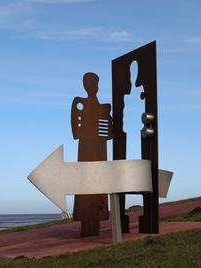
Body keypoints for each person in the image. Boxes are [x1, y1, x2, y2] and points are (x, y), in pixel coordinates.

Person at [71, 72, 113, 237]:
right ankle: (87, 224)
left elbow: (109, 133)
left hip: (99, 149)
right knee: (86, 183)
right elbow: (77, 129)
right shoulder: (79, 103)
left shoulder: (103, 107)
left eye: (96, 83)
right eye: (92, 83)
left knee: (98, 185)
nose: (94, 87)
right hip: (87, 149)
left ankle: (94, 222)